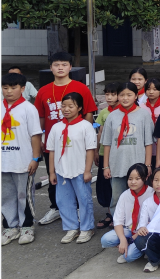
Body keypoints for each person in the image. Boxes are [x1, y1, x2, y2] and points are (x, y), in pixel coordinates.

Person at [34, 52, 96, 225]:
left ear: (70, 67)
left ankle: (79, 209)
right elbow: (40, 117)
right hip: (53, 143)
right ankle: (56, 208)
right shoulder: (43, 91)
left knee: (78, 176)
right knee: (54, 176)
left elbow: (89, 112)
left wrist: (84, 137)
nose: (60, 68)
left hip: (76, 144)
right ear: (51, 68)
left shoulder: (81, 88)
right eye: (56, 64)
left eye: (64, 64)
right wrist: (39, 140)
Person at [46, 92, 97, 244]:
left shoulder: (85, 126)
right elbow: (51, 151)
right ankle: (71, 227)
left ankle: (87, 228)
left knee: (84, 200)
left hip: (79, 171)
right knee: (64, 201)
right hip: (62, 171)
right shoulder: (56, 127)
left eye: (71, 106)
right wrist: (52, 172)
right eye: (63, 106)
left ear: (79, 107)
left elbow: (90, 150)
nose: (66, 109)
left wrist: (87, 171)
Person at [1, 72, 42, 246]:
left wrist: (35, 158)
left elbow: (35, 135)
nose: (9, 91)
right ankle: (10, 226)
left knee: (24, 195)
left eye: (13, 88)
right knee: (6, 196)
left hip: (23, 161)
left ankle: (26, 226)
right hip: (4, 161)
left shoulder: (28, 109)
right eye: (5, 88)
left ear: (23, 88)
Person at [102, 82, 154, 217]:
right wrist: (106, 166)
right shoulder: (112, 116)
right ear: (117, 96)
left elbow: (148, 142)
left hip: (138, 164)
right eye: (122, 95)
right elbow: (107, 143)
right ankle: (118, 223)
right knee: (117, 198)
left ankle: (141, 223)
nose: (125, 98)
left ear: (136, 96)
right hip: (117, 164)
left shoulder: (144, 115)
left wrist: (148, 165)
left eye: (129, 95)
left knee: (141, 197)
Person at [100, 163, 152, 263]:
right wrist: (123, 239)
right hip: (129, 229)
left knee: (129, 257)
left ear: (145, 178)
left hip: (145, 232)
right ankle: (131, 246)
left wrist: (132, 239)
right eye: (130, 179)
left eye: (137, 178)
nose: (133, 182)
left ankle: (143, 248)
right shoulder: (125, 195)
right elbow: (118, 221)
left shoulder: (151, 194)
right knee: (105, 240)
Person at [95, 83, 119, 230]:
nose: (109, 97)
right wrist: (97, 151)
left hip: (118, 153)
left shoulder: (122, 112)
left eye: (113, 94)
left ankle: (119, 216)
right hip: (105, 152)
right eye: (107, 94)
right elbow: (100, 132)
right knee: (106, 185)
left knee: (118, 185)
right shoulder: (104, 112)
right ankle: (110, 214)